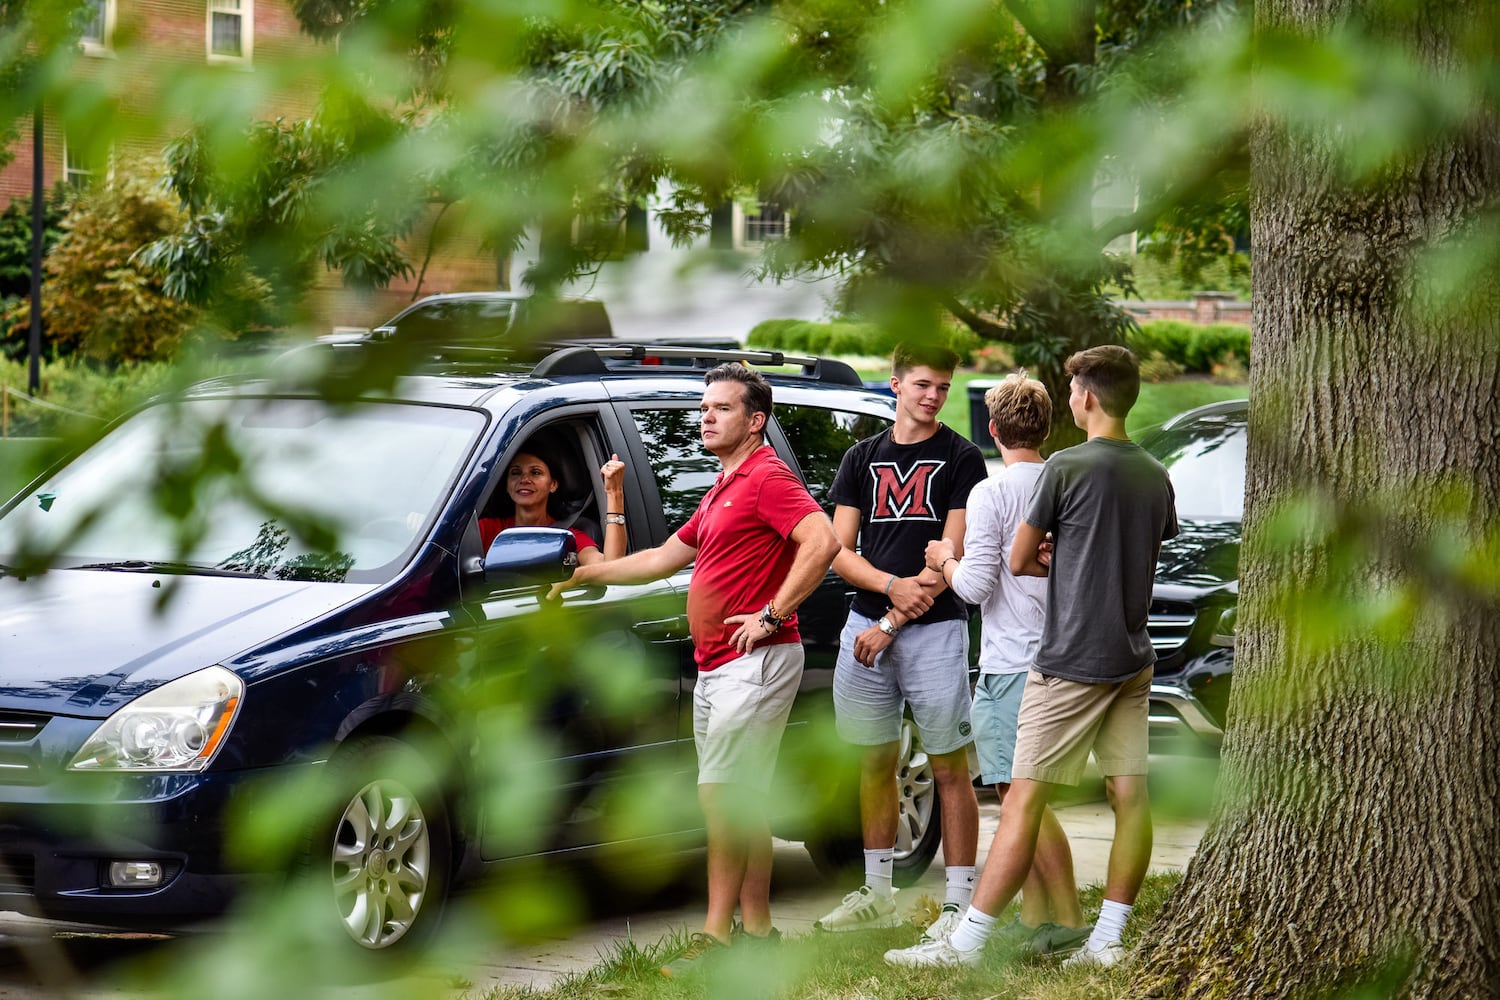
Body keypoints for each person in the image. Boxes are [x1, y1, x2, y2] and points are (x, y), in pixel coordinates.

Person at [884, 344, 1178, 970]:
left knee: (1020, 801)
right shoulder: (1154, 472)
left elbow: (1018, 562)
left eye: (1074, 389)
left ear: (1087, 399)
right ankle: (1108, 939)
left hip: (1070, 658)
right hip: (1133, 654)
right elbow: (1140, 545)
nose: (1072, 398)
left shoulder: (1065, 470)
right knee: (1131, 797)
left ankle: (965, 944)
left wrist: (961, 558)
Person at [555, 363, 841, 977]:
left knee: (720, 799)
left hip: (755, 660)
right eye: (704, 407)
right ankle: (758, 932)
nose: (706, 417)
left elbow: (821, 540)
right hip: (719, 665)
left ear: (755, 420)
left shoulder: (766, 477)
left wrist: (771, 614)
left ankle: (714, 939)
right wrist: (587, 573)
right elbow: (662, 558)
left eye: (721, 408)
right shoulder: (722, 487)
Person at [813, 342, 989, 942]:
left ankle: (958, 904)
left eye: (942, 386)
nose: (933, 395)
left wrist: (892, 621)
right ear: (894, 385)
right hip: (861, 626)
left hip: (935, 629)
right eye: (921, 384)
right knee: (874, 761)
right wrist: (889, 591)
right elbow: (838, 550)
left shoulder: (963, 458)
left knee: (948, 767)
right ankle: (878, 892)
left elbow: (954, 550)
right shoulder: (861, 457)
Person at [918, 372, 1090, 958]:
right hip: (1060, 656)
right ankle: (1039, 916)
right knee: (1027, 796)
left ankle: (1064, 916)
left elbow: (974, 586)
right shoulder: (1067, 482)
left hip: (1012, 662)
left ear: (991, 429)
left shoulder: (991, 493)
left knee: (1018, 798)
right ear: (1046, 427)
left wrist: (944, 559)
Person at [479, 446, 627, 565]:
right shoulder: (485, 529)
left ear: (553, 485)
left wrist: (615, 492)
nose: (524, 479)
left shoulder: (569, 538)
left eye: (535, 472)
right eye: (516, 472)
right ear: (507, 485)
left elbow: (610, 568)